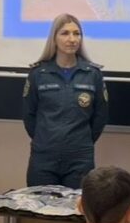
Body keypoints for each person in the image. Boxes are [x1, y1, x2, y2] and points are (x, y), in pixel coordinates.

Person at [22, 13, 108, 189]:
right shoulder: (39, 74)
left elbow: (100, 117)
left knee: (77, 206)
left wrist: (80, 141)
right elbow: (29, 115)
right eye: (65, 33)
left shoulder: (92, 74)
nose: (72, 39)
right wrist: (47, 140)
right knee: (39, 205)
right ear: (54, 38)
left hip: (79, 157)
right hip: (44, 157)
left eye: (77, 34)